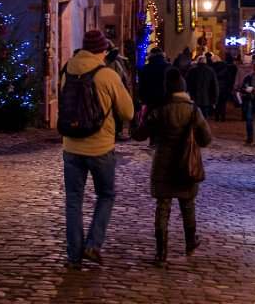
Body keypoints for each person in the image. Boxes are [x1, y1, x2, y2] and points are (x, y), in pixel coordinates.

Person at [61, 29, 134, 270]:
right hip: (100, 146)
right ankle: (93, 243)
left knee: (73, 200)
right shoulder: (106, 75)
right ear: (102, 50)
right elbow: (128, 112)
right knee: (106, 194)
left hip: (71, 145)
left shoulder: (67, 70)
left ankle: (74, 256)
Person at [131, 68, 212, 267]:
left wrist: (135, 120)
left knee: (163, 208)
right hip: (187, 165)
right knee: (187, 205)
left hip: (163, 165)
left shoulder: (160, 109)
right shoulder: (193, 110)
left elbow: (139, 134)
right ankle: (190, 242)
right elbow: (207, 139)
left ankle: (161, 253)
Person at [138, 47, 169, 145]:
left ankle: (153, 138)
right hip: (165, 96)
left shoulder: (146, 68)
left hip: (150, 97)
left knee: (152, 118)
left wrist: (142, 98)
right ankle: (163, 137)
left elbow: (142, 85)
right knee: (164, 117)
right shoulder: (168, 67)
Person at [105, 45, 131, 141]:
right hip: (114, 90)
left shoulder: (113, 62)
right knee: (116, 112)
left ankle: (115, 131)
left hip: (110, 90)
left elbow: (120, 77)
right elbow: (122, 77)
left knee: (113, 112)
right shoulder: (118, 62)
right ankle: (116, 131)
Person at [185, 54, 218, 119]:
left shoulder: (192, 70)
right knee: (204, 117)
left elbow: (187, 83)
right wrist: (214, 99)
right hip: (206, 98)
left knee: (194, 117)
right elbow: (215, 86)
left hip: (194, 97)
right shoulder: (210, 71)